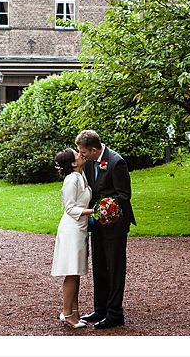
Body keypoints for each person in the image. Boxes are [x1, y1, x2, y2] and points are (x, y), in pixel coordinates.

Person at [75, 129, 135, 329]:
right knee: (99, 266)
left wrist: (105, 206)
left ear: (93, 149)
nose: (81, 156)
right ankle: (100, 309)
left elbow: (124, 195)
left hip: (115, 225)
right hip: (97, 224)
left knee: (115, 268)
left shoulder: (116, 162)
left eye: (83, 152)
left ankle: (115, 313)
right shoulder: (91, 161)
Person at [51, 148, 92, 328]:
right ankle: (67, 313)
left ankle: (75, 312)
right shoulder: (71, 180)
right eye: (77, 154)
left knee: (76, 273)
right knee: (72, 272)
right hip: (71, 229)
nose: (80, 154)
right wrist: (92, 212)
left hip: (80, 227)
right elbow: (69, 208)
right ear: (73, 163)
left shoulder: (80, 176)